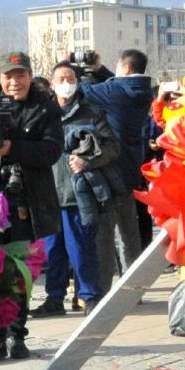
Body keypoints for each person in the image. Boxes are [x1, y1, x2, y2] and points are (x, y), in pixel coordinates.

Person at [0, 51, 60, 361]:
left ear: (30, 76)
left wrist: (12, 147)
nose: (14, 81)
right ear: (0, 78)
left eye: (20, 75)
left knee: (19, 270)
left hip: (24, 199)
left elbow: (51, 151)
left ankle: (17, 335)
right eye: (8, 76)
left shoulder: (45, 107)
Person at [35, 62, 124, 315]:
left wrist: (88, 160)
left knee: (82, 248)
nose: (66, 83)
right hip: (48, 192)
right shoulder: (42, 114)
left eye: (71, 78)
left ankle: (89, 296)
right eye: (61, 78)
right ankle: (54, 298)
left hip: (78, 193)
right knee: (52, 252)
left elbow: (112, 147)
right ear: (51, 85)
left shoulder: (93, 113)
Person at [80, 47, 155, 276]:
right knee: (129, 232)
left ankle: (107, 287)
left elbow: (83, 91)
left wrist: (74, 68)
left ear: (125, 68)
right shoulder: (143, 91)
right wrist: (99, 69)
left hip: (110, 168)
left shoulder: (115, 91)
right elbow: (113, 85)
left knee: (107, 234)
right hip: (131, 166)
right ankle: (133, 283)